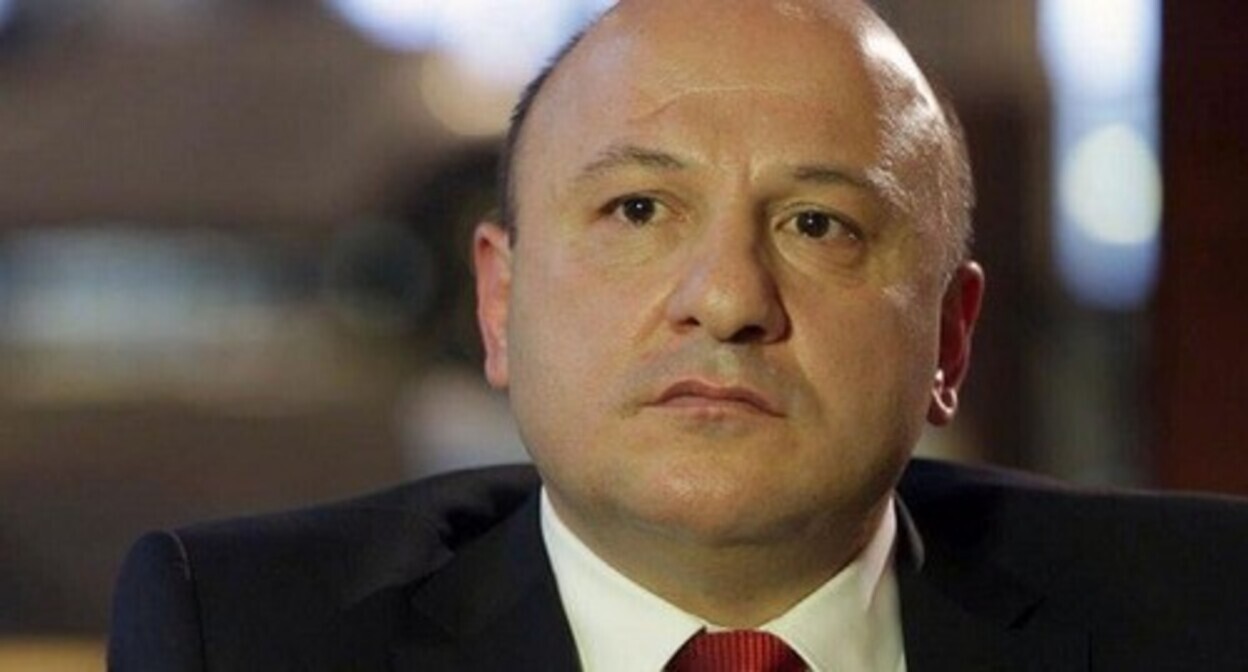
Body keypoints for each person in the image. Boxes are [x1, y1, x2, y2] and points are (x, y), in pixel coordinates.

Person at [108, 0, 1248, 670]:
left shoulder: (1207, 614)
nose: (728, 298)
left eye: (818, 225)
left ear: (949, 343)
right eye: (639, 210)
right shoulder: (246, 638)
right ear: (499, 303)